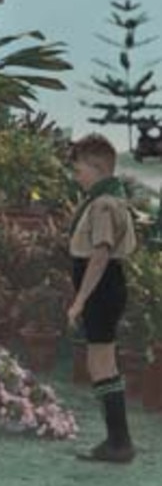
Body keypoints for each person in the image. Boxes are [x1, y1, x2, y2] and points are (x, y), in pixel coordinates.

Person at [67, 133, 137, 464]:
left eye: (78, 168)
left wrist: (80, 300)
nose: (75, 174)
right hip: (104, 285)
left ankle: (119, 443)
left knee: (101, 362)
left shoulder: (104, 204)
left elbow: (100, 254)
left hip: (102, 286)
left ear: (96, 167)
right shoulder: (106, 198)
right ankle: (117, 440)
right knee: (100, 362)